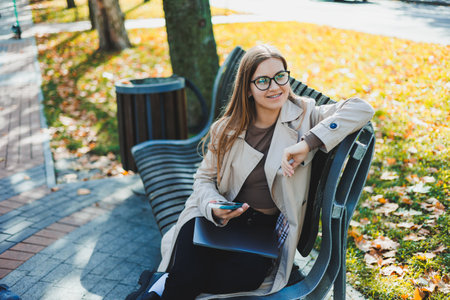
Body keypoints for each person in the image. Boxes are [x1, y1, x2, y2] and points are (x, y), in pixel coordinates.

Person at [135, 44, 374, 300]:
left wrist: (308, 143)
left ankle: (159, 287)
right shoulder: (226, 128)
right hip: (212, 216)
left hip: (258, 230)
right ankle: (169, 286)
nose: (275, 87)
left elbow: (362, 108)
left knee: (241, 277)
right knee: (188, 272)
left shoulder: (305, 114)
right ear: (248, 89)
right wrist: (214, 205)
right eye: (262, 81)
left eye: (280, 76)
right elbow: (204, 179)